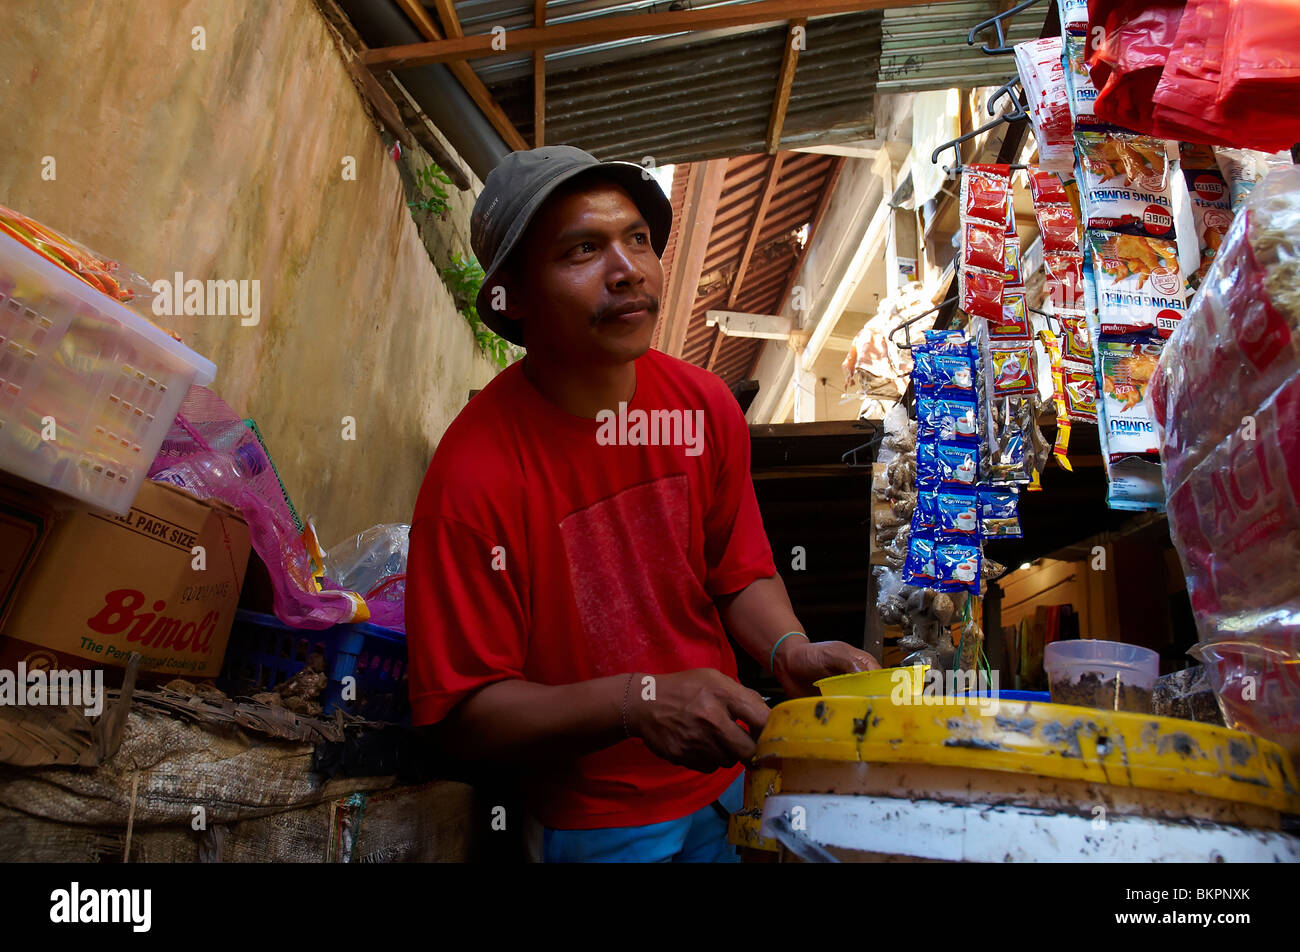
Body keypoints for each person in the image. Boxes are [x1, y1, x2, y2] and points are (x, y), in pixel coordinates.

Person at [405, 145, 879, 863]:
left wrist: (788, 647)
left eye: (637, 239)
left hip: (734, 783)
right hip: (595, 829)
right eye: (582, 249)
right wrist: (636, 701)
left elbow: (738, 572)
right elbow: (463, 715)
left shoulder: (704, 405)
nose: (628, 269)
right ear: (515, 297)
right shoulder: (472, 477)